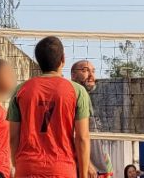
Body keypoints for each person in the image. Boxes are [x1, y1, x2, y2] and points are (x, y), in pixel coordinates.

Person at [9, 36, 92, 178]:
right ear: (63, 59)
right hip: (62, 169)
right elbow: (82, 138)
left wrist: (19, 165)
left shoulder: (20, 90)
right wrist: (83, 175)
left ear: (39, 62)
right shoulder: (77, 91)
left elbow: (13, 137)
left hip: (27, 167)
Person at [71, 60, 114, 177]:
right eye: (85, 71)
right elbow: (71, 135)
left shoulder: (86, 97)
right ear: (73, 75)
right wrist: (87, 164)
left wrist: (106, 163)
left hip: (100, 169)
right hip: (85, 169)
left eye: (93, 71)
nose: (91, 75)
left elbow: (92, 134)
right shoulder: (73, 95)